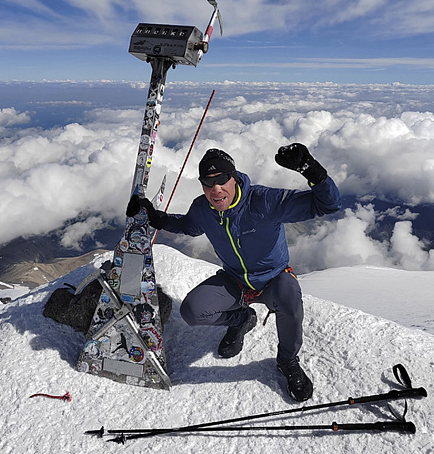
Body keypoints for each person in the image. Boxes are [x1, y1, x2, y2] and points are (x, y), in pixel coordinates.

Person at [126, 143, 341, 402]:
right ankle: (241, 320)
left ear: (235, 178)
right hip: (235, 279)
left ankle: (288, 361)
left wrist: (312, 171)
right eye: (207, 182)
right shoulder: (204, 209)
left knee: (290, 301)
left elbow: (328, 204)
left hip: (274, 277)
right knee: (192, 311)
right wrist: (155, 217)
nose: (215, 189)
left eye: (222, 179)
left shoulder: (263, 201)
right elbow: (188, 226)